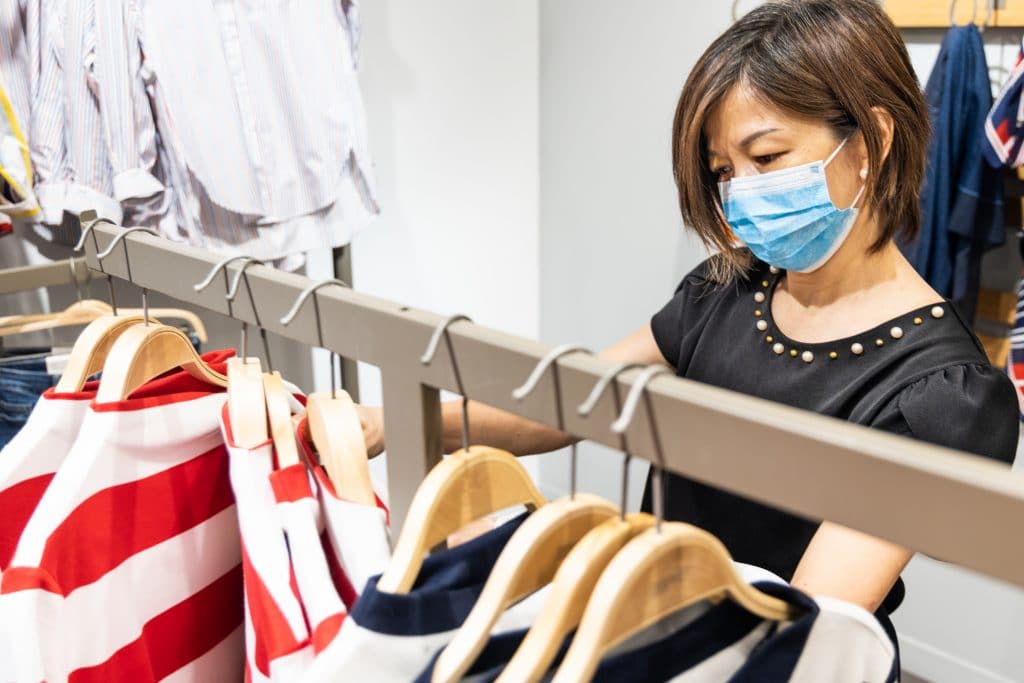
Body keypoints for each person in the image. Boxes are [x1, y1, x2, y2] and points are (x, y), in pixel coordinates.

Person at [356, 0, 1019, 654]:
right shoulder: (723, 290)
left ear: (873, 138)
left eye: (767, 156)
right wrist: (398, 420)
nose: (740, 193)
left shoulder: (944, 390)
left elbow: (812, 613)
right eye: (723, 170)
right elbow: (572, 402)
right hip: (652, 628)